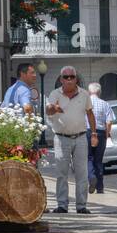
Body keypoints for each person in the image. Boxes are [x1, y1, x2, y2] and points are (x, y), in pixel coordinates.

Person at [44, 66, 98, 214]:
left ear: (76, 79)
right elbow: (48, 109)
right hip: (61, 138)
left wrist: (94, 133)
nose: (69, 80)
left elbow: (90, 113)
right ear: (61, 79)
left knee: (82, 173)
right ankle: (62, 205)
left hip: (80, 137)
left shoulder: (84, 94)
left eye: (71, 77)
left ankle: (81, 205)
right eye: (65, 77)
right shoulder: (55, 94)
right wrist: (53, 108)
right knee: (62, 173)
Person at [87, 82, 115, 194]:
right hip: (101, 132)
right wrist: (106, 134)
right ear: (99, 92)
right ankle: (100, 186)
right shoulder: (105, 104)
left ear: (89, 92)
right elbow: (109, 122)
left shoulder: (85, 103)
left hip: (88, 132)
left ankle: (91, 176)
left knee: (88, 157)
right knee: (98, 160)